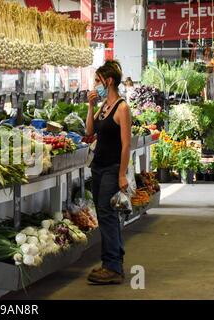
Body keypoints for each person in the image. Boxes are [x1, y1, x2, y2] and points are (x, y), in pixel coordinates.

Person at [85, 60, 132, 285]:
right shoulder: (104, 106)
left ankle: (113, 266)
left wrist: (122, 174)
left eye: (98, 81)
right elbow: (89, 132)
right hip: (98, 167)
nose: (96, 85)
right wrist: (91, 106)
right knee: (105, 215)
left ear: (109, 81)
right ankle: (112, 261)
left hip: (112, 169)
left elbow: (126, 145)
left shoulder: (122, 108)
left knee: (107, 214)